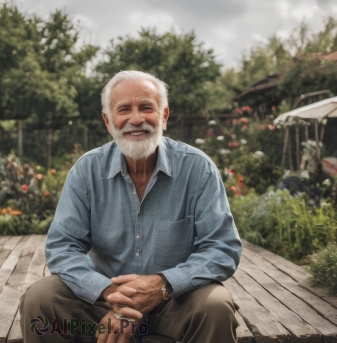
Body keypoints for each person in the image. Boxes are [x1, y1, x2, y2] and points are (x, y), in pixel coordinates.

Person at [20, 70, 242, 343]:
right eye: (124, 109)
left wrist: (162, 284)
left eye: (146, 107)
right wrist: (110, 295)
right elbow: (62, 247)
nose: (136, 119)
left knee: (216, 305)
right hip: (102, 307)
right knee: (40, 299)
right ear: (108, 121)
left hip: (174, 303)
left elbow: (222, 247)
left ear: (164, 116)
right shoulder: (87, 171)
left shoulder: (198, 169)